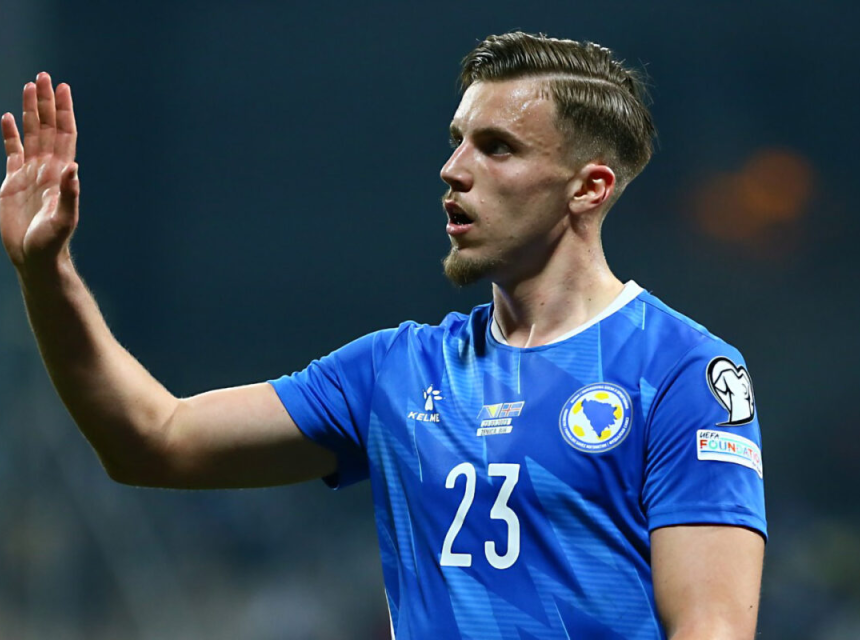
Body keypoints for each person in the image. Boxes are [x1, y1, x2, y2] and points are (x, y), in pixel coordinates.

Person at [1, 32, 765, 639]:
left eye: (497, 147)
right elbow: (152, 439)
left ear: (588, 188)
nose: (453, 169)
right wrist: (47, 272)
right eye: (457, 140)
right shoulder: (395, 372)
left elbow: (712, 628)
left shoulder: (682, 372)